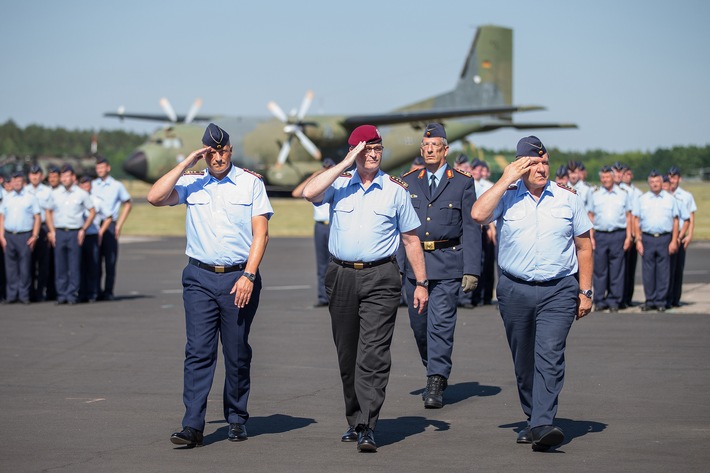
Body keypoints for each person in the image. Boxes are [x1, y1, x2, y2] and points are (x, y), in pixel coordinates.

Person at [302, 124, 428, 453]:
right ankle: (354, 418)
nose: (373, 154)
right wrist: (344, 164)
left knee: (373, 354)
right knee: (348, 354)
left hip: (381, 276)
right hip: (341, 275)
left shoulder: (395, 190)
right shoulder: (339, 184)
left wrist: (421, 283)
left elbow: (411, 239)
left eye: (377, 148)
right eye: (366, 149)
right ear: (355, 151)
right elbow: (309, 193)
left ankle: (368, 425)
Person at [147, 123, 273, 448]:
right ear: (205, 153)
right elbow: (154, 197)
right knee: (198, 351)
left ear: (230, 150)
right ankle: (192, 425)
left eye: (222, 151)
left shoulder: (250, 184)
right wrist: (186, 163)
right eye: (211, 152)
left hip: (237, 278)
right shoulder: (192, 183)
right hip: (199, 277)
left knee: (236, 352)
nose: (218, 157)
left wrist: (249, 274)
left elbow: (261, 234)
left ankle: (236, 417)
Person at [471, 135, 593, 452]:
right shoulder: (507, 196)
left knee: (549, 356)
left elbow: (584, 246)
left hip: (559, 290)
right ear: (520, 166)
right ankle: (532, 418)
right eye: (534, 163)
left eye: (545, 162)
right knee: (524, 361)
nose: (541, 168)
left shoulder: (568, 199)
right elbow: (478, 215)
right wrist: (504, 179)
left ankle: (542, 423)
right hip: (515, 290)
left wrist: (586, 291)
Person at [400, 123, 481, 409]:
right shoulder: (408, 181)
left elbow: (471, 228)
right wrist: (398, 269)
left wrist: (471, 269)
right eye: (425, 146)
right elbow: (400, 229)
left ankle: (435, 379)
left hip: (448, 265)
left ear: (445, 150)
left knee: (440, 325)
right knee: (419, 327)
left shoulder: (461, 182)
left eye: (435, 146)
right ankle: (434, 365)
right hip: (414, 266)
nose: (430, 150)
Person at [46, 165, 95, 305]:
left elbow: (92, 211)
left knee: (74, 265)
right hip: (60, 232)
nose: (65, 179)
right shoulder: (55, 194)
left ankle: (72, 294)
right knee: (60, 265)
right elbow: (48, 211)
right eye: (63, 177)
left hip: (75, 232)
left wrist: (83, 229)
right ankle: (61, 294)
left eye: (68, 176)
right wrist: (52, 231)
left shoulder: (81, 193)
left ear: (73, 177)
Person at [291, 158, 336, 307]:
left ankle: (336, 296)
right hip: (320, 226)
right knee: (322, 264)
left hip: (334, 226)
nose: (327, 170)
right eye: (325, 168)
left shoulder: (337, 182)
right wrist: (315, 176)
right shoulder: (316, 185)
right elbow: (296, 193)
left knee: (335, 264)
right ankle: (323, 297)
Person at [587, 166, 633, 312]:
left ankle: (614, 300)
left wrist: (628, 237)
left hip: (618, 234)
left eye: (608, 177)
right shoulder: (595, 194)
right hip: (600, 235)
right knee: (600, 270)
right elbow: (591, 216)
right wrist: (591, 237)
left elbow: (628, 216)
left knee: (617, 270)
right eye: (603, 177)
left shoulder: (623, 194)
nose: (605, 180)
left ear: (613, 177)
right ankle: (600, 300)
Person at [632, 170, 679, 312]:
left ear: (661, 182)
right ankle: (650, 300)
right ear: (649, 183)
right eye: (652, 182)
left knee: (663, 271)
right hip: (647, 238)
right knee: (648, 271)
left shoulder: (670, 199)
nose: (655, 184)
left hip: (665, 238)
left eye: (657, 182)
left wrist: (674, 241)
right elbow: (636, 220)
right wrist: (638, 240)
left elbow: (676, 221)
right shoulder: (642, 199)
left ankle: (661, 301)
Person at [92, 156, 132, 301]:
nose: (100, 170)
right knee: (95, 260)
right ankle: (95, 290)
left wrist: (119, 225)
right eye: (97, 168)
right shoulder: (92, 185)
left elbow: (128, 203)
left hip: (110, 225)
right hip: (95, 224)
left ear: (108, 168)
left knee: (110, 260)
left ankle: (108, 291)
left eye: (102, 167)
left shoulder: (117, 185)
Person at [0, 171, 41, 304]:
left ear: (23, 182)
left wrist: (35, 235)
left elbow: (37, 217)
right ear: (11, 182)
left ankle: (24, 295)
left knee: (25, 267)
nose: (16, 183)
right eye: (14, 180)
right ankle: (12, 294)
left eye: (19, 180)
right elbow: (2, 217)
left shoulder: (30, 197)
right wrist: (1, 235)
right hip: (9, 235)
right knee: (10, 267)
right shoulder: (7, 197)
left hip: (25, 235)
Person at [77, 176, 112, 303]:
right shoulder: (76, 197)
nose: (85, 186)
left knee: (93, 266)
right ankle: (81, 292)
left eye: (87, 184)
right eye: (83, 184)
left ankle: (93, 292)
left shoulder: (96, 200)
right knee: (79, 266)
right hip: (78, 235)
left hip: (92, 236)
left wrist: (101, 232)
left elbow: (109, 216)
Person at [667, 166, 696, 308]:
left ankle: (675, 298)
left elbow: (690, 217)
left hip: (680, 236)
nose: (672, 179)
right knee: (666, 269)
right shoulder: (664, 193)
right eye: (670, 176)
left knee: (678, 268)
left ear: (679, 178)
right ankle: (665, 297)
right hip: (666, 236)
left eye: (675, 177)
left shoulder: (686, 196)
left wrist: (689, 235)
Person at [26, 165, 53, 301]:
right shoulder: (24, 191)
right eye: (32, 174)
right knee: (28, 262)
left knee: (43, 263)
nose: (35, 177)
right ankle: (29, 292)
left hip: (43, 228)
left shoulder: (48, 191)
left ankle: (40, 292)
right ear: (29, 176)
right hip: (28, 229)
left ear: (41, 176)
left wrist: (50, 230)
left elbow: (51, 212)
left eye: (37, 174)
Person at [619, 165, 643, 308]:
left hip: (634, 235)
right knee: (620, 270)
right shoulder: (620, 191)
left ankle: (628, 297)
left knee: (631, 269)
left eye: (629, 173)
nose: (627, 175)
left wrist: (636, 235)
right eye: (624, 173)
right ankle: (620, 298)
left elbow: (637, 215)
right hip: (623, 233)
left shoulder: (638, 193)